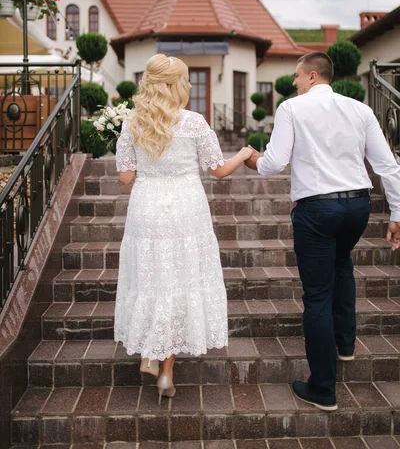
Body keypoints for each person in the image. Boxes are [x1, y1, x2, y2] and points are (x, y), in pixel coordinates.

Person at [245, 51, 400, 412]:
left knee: (316, 295)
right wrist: (397, 213)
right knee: (342, 262)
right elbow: (387, 166)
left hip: (317, 210)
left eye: (297, 76)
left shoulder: (291, 109)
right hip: (357, 206)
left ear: (313, 75)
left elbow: (273, 163)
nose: (294, 82)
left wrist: (252, 158)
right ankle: (345, 344)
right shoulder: (361, 110)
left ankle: (323, 388)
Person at [114, 54, 253, 404]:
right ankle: (167, 371)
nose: (191, 85)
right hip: (186, 209)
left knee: (151, 278)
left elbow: (126, 178)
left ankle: (151, 349)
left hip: (146, 208)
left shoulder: (132, 122)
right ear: (174, 85)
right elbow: (217, 170)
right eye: (187, 80)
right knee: (181, 280)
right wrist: (245, 153)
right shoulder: (194, 123)